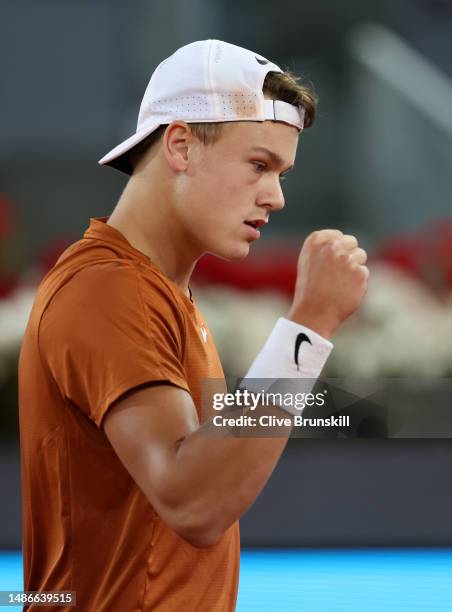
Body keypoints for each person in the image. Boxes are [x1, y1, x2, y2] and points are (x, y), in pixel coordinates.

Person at [18, 40, 369, 611]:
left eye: (281, 172)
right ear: (180, 144)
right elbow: (194, 503)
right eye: (259, 165)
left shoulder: (156, 289)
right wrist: (311, 323)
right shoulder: (108, 288)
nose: (276, 196)